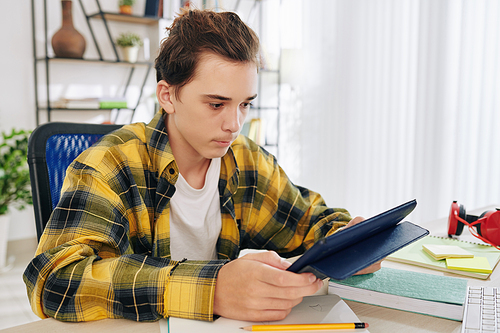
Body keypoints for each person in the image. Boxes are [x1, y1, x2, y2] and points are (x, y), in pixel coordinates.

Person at [23, 8, 380, 323]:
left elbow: (306, 221)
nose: (234, 124)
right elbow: (54, 282)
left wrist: (349, 242)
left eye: (244, 104)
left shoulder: (244, 158)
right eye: (216, 104)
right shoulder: (109, 163)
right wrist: (212, 289)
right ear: (168, 96)